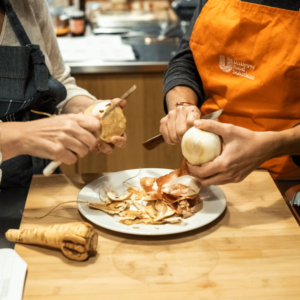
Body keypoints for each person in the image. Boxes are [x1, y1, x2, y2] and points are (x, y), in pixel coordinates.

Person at [161, 0, 300, 186]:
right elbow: (187, 61)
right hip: (204, 170)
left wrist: (271, 146)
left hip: (284, 180)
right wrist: (182, 107)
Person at [0, 0, 126, 188]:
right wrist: (23, 137)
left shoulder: (29, 5)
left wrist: (90, 111)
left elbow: (59, 80)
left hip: (42, 183)